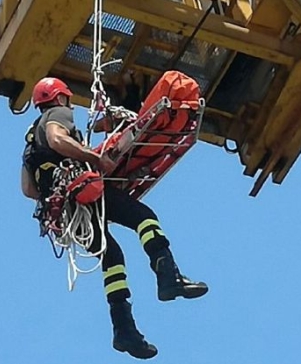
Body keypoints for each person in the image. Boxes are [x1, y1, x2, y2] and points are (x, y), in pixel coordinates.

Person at [20, 77, 208, 359]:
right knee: (143, 217)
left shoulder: (30, 142)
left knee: (112, 257)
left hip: (68, 212)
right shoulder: (58, 114)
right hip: (80, 191)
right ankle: (168, 276)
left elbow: (28, 189)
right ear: (61, 98)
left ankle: (124, 330)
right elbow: (59, 140)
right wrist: (94, 160)